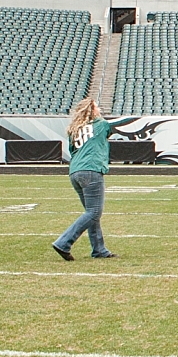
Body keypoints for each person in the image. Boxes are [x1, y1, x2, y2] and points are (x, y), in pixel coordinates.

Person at [52, 97, 118, 260]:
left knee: (91, 213)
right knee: (94, 212)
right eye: (97, 108)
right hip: (91, 169)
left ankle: (99, 250)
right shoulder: (101, 124)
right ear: (92, 110)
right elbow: (108, 130)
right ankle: (64, 242)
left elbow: (72, 151)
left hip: (75, 171)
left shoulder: (75, 130)